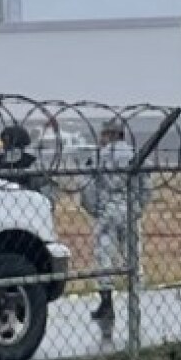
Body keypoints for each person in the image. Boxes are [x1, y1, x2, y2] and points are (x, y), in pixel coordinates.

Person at [78, 120, 149, 331]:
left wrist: (96, 209)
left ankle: (106, 302)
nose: (100, 139)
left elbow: (87, 187)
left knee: (104, 256)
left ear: (110, 135)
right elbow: (146, 186)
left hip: (108, 210)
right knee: (133, 253)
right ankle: (135, 299)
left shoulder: (99, 157)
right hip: (129, 207)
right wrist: (137, 207)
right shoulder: (136, 155)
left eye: (103, 135)